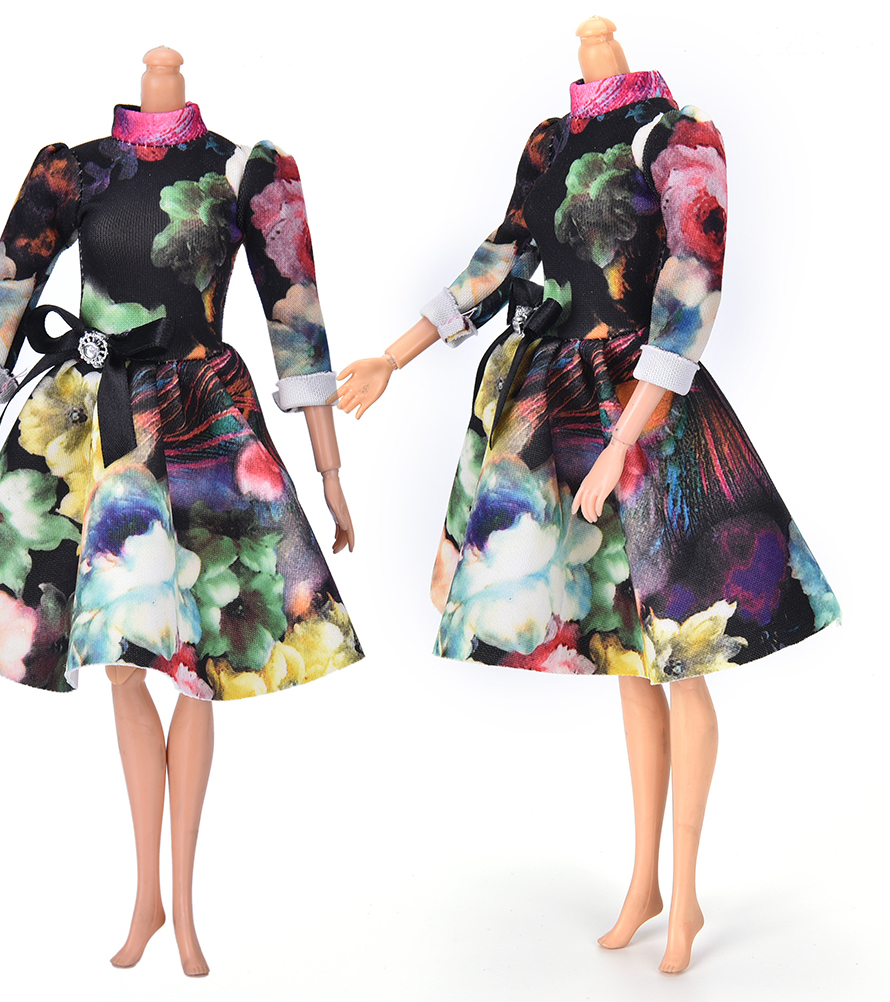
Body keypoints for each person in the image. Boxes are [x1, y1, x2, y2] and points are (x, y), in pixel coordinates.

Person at [333, 16, 839, 973]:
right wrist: (395, 356)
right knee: (625, 656)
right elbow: (499, 257)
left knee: (680, 655)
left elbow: (691, 292)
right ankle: (645, 883)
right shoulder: (549, 140)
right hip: (560, 401)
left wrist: (624, 445)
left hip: (649, 415)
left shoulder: (678, 137)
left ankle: (686, 897)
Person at [0, 47, 363, 977]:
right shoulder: (76, 169)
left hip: (203, 419)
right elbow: (4, 295)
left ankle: (186, 908)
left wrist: (329, 471)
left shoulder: (246, 170)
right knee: (126, 668)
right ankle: (146, 902)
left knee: (195, 668)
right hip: (96, 420)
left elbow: (297, 318)